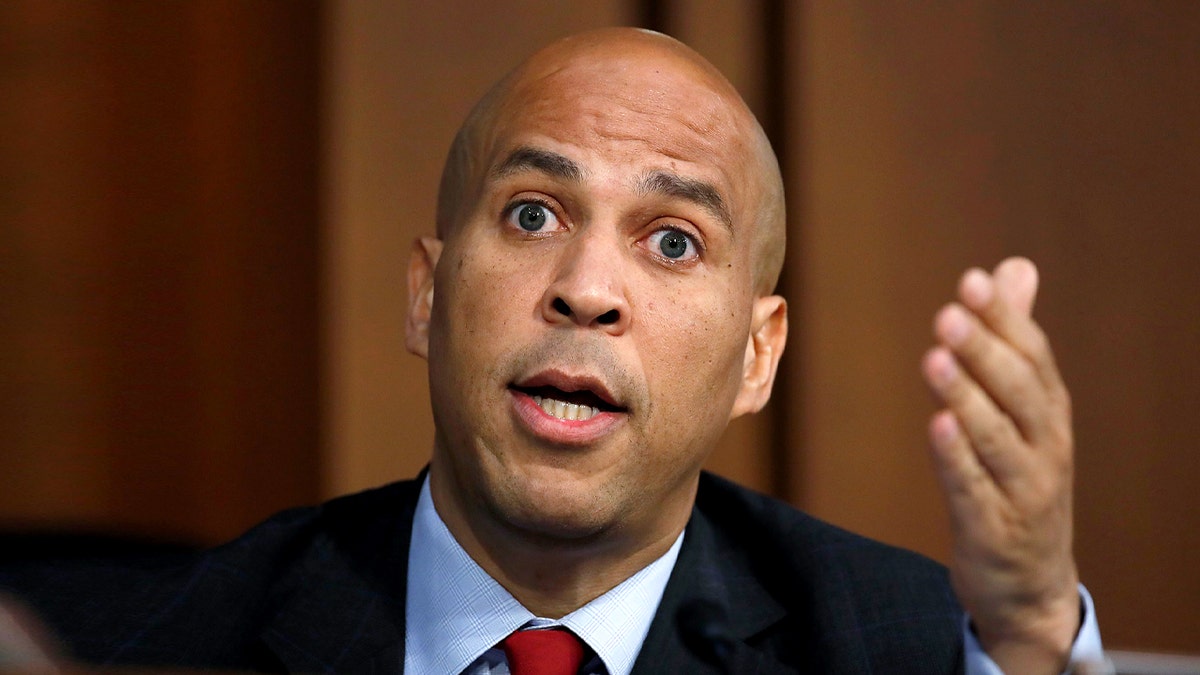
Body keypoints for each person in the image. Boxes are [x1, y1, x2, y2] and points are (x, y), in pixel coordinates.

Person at [0, 27, 1102, 674]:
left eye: (673, 241)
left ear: (758, 358)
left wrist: (1033, 630)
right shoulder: (171, 640)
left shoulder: (902, 648)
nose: (585, 289)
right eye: (533, 215)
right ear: (429, 295)